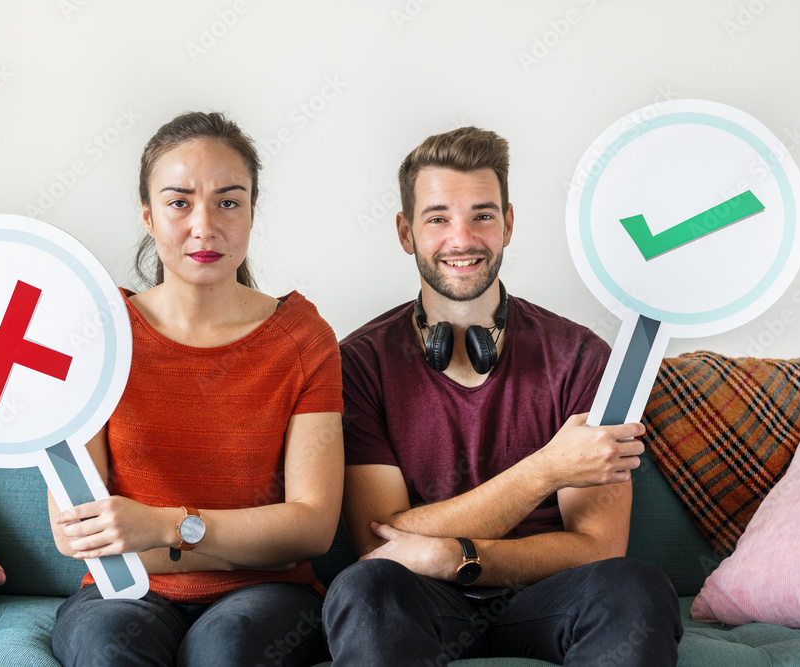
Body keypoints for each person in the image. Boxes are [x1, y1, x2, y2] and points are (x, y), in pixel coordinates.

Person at [323, 126, 683, 666]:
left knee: (635, 586)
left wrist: (456, 555)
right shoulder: (359, 364)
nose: (462, 238)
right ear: (405, 232)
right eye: (438, 218)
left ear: (508, 224)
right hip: (421, 602)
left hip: (549, 598)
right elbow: (384, 541)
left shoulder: (582, 357)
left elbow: (598, 547)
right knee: (364, 588)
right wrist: (547, 469)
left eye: (483, 215)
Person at [47, 111, 344, 667]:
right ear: (149, 216)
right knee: (109, 650)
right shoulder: (97, 335)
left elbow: (312, 527)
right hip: (120, 597)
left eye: (228, 201)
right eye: (179, 202)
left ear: (252, 212)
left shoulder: (303, 339)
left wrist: (161, 526)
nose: (204, 226)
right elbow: (76, 534)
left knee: (226, 651)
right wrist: (239, 544)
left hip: (272, 598)